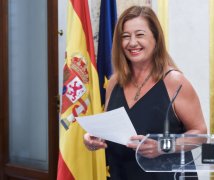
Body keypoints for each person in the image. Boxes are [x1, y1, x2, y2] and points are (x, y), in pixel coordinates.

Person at [83, 5, 207, 180]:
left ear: (156, 39)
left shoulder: (174, 81)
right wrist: (93, 138)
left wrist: (162, 146)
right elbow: (111, 130)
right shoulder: (114, 82)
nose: (132, 43)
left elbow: (200, 133)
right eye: (125, 36)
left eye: (140, 35)